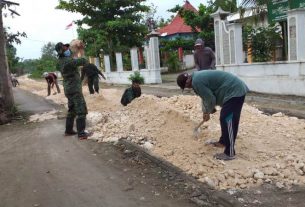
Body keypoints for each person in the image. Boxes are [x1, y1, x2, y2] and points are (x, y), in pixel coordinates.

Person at [176, 70, 249, 160]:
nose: (189, 88)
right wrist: (205, 112)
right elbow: (205, 97)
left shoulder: (196, 82)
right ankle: (223, 142)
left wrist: (208, 112)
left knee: (227, 119)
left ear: (187, 83)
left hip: (234, 91)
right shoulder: (196, 78)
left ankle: (229, 153)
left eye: (187, 87)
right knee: (225, 118)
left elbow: (210, 99)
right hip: (232, 91)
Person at [55, 42, 92, 140]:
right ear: (62, 51)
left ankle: (68, 130)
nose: (68, 50)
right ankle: (81, 134)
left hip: (68, 89)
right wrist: (81, 51)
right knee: (81, 110)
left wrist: (74, 52)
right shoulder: (68, 61)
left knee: (72, 109)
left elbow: (72, 59)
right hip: (75, 89)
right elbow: (84, 61)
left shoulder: (59, 62)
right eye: (65, 48)